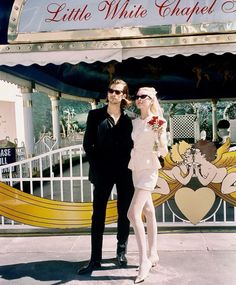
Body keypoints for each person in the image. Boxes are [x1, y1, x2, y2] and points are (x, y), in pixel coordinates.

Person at [78, 79, 134, 275]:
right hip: (102, 172)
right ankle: (95, 259)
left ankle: (121, 251)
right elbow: (88, 145)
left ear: (124, 96)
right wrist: (98, 167)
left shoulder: (131, 119)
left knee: (124, 212)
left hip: (126, 172)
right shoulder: (95, 116)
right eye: (111, 91)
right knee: (98, 215)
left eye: (118, 92)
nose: (113, 94)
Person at [127, 87, 168, 284]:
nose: (139, 99)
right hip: (136, 168)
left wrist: (159, 136)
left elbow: (163, 151)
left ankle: (144, 260)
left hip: (150, 168)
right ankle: (153, 253)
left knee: (133, 213)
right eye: (138, 96)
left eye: (144, 96)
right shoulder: (134, 122)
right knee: (148, 210)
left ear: (152, 100)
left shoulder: (158, 121)